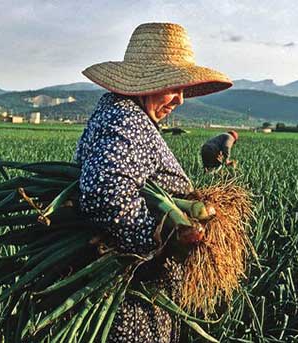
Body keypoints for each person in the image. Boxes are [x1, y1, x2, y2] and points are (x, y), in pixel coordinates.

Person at [74, 22, 232, 343]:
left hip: (137, 297)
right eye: (173, 86)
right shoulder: (125, 119)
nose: (180, 100)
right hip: (131, 303)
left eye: (182, 88)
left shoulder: (126, 114)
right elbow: (105, 192)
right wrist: (159, 245)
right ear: (144, 83)